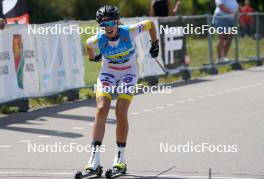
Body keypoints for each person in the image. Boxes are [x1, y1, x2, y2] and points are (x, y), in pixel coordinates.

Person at [85, 5, 159, 172]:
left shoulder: (130, 31)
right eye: (103, 25)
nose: (107, 28)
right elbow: (88, 46)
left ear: (117, 21)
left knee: (120, 110)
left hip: (128, 73)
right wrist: (93, 57)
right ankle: (94, 159)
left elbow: (150, 24)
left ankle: (120, 157)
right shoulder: (97, 40)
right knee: (101, 109)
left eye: (110, 23)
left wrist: (155, 44)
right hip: (108, 73)